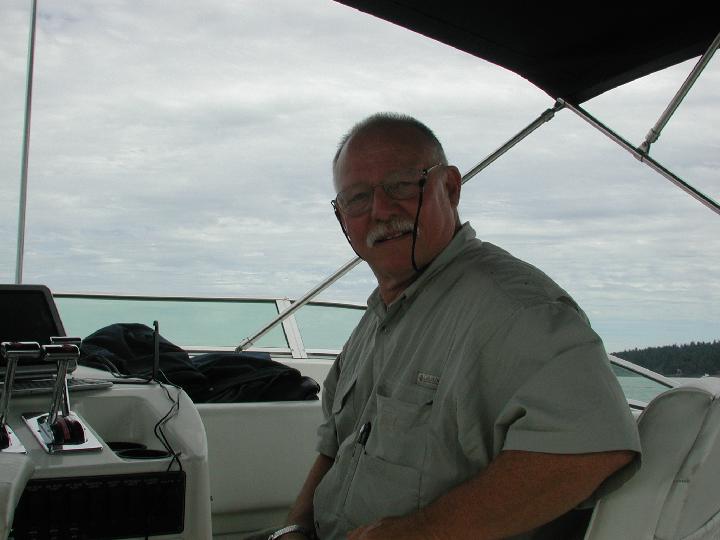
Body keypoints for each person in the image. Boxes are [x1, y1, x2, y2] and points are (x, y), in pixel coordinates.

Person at [269, 113, 641, 540]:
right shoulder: (376, 320)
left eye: (401, 186)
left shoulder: (517, 309)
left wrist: (421, 533)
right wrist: (293, 528)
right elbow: (334, 448)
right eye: (357, 198)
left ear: (449, 187)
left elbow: (591, 452)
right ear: (342, 217)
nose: (381, 211)